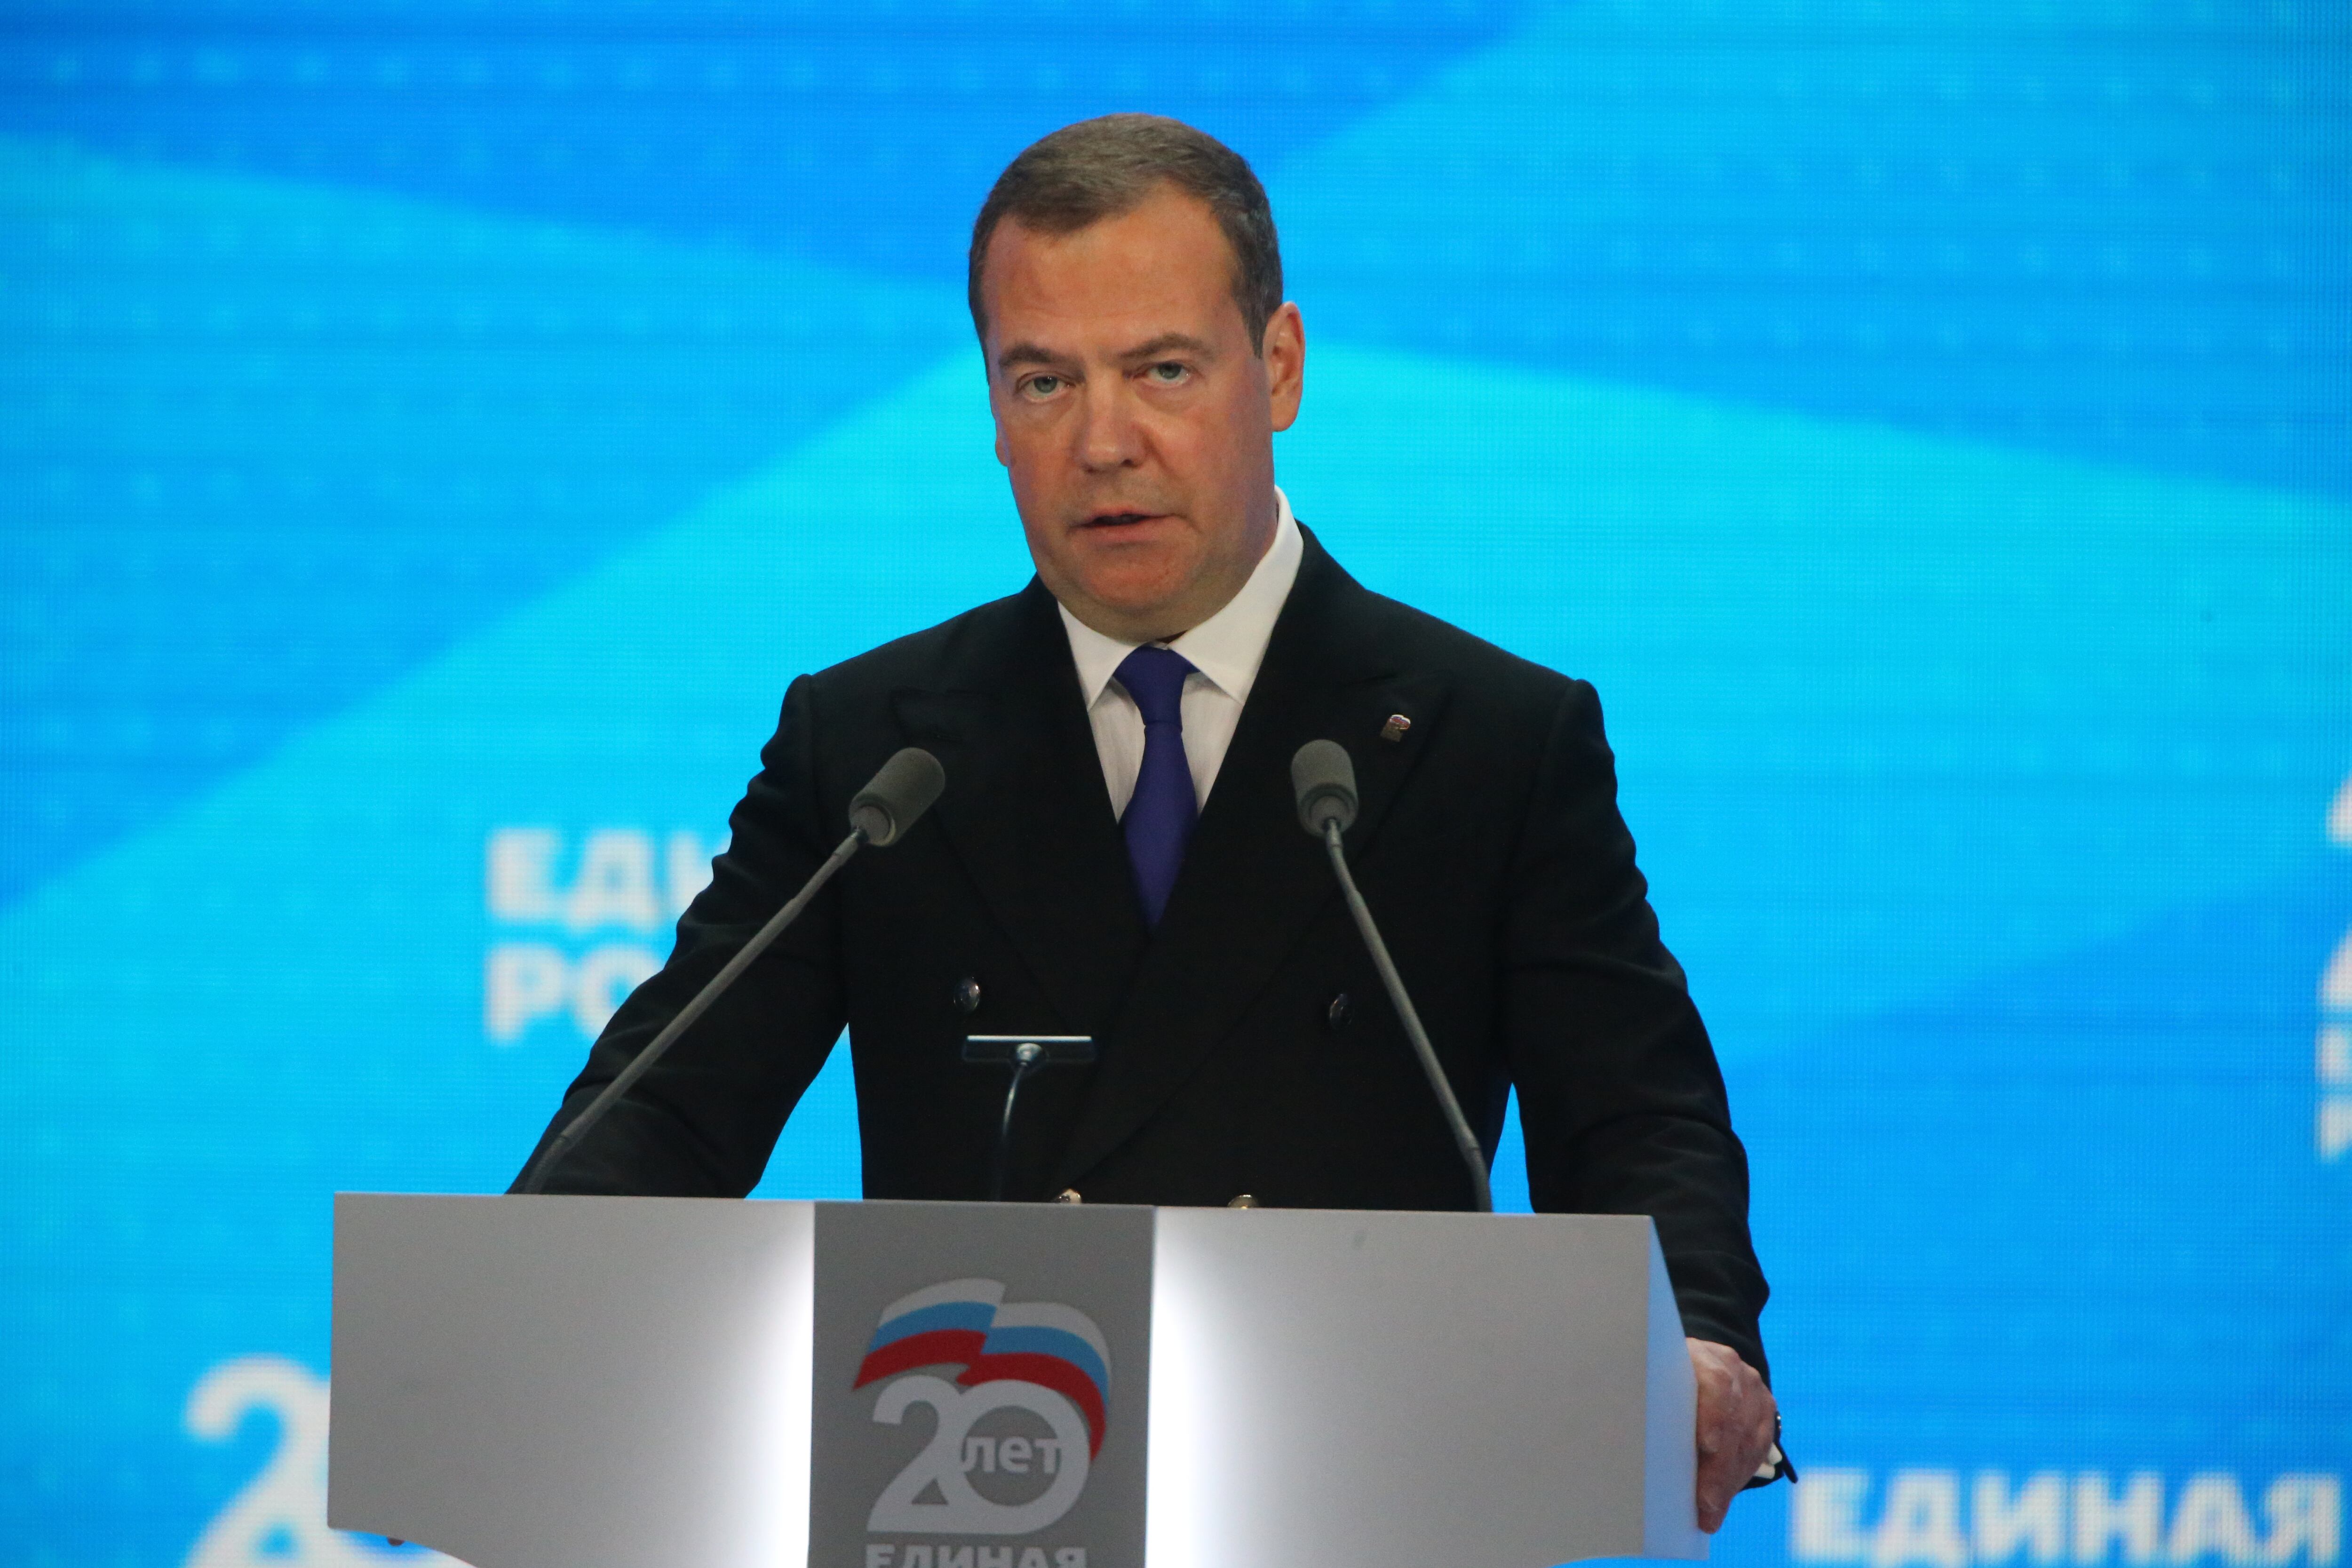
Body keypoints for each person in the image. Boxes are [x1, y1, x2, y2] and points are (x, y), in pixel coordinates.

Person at [516, 113, 1786, 1526]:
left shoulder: (1491, 737)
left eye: (1162, 370)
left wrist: (1695, 1335)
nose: (1104, 442)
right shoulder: (876, 748)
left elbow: (1635, 1113)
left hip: (1362, 1501)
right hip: (977, 1501)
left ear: (1281, 368)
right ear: (992, 413)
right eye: (1043, 381)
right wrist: (518, 1323)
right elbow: (672, 1111)